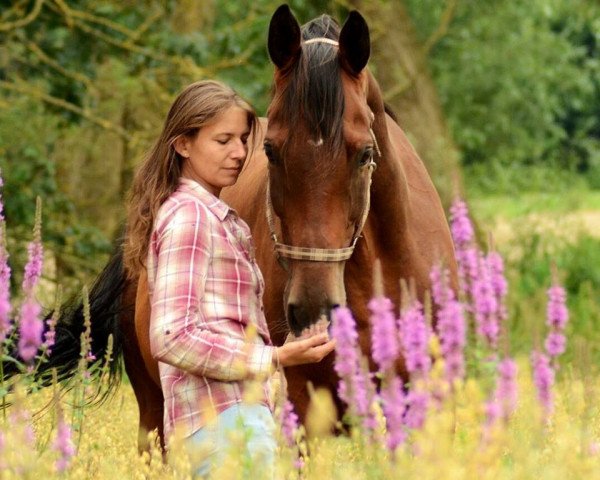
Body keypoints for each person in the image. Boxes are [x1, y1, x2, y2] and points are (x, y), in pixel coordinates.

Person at [124, 80, 336, 477]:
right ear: (183, 144)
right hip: (221, 426)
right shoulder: (189, 217)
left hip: (231, 422)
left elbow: (218, 324)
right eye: (223, 141)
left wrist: (289, 344)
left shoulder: (210, 216)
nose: (239, 153)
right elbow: (171, 337)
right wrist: (273, 357)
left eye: (242, 139)